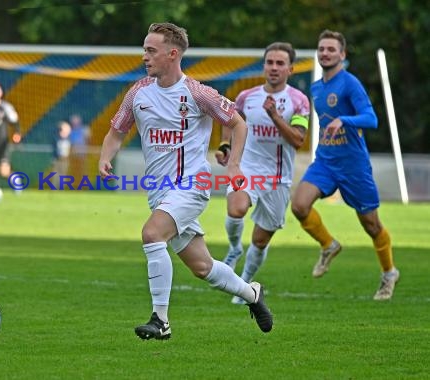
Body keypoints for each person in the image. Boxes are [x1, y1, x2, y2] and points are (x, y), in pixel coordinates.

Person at [98, 22, 273, 340]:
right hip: (160, 193)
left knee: (152, 234)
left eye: (151, 50)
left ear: (172, 53)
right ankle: (252, 295)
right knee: (202, 267)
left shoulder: (197, 93)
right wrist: (104, 156)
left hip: (192, 185)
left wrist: (233, 165)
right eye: (144, 50)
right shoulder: (138, 93)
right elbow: (117, 131)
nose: (144, 57)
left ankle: (160, 321)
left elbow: (237, 123)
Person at [290, 29, 400, 300]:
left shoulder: (350, 83)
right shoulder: (316, 87)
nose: (325, 53)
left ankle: (389, 273)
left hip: (354, 166)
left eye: (331, 49)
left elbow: (371, 119)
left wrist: (345, 120)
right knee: (299, 205)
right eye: (322, 48)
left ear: (342, 54)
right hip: (326, 161)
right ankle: (328, 245)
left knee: (371, 225)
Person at [217, 42, 310, 304]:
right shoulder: (247, 97)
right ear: (264, 66)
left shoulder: (299, 101)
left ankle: (245, 284)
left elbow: (298, 140)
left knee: (259, 240)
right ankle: (235, 248)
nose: (274, 68)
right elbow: (230, 123)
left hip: (278, 179)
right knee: (236, 209)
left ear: (291, 69)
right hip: (248, 168)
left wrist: (274, 116)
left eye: (280, 63)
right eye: (270, 62)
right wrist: (226, 147)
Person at [68, 114, 91, 184]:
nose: (75, 123)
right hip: (72, 154)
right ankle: (73, 184)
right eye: (73, 122)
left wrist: (85, 150)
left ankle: (84, 185)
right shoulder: (69, 130)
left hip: (82, 154)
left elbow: (88, 140)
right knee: (73, 170)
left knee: (83, 170)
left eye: (76, 121)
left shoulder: (84, 129)